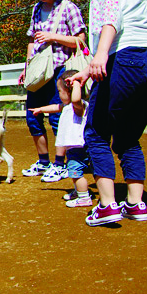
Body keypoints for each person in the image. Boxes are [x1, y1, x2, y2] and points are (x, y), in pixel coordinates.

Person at [71, 0, 147, 226]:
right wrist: (90, 67)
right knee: (128, 136)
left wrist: (99, 56)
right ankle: (136, 204)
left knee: (96, 132)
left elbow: (111, 19)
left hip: (124, 59)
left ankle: (107, 205)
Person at [18, 0, 87, 183]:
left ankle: (61, 164)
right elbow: (31, 40)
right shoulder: (36, 9)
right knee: (33, 116)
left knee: (59, 117)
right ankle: (43, 161)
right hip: (39, 71)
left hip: (61, 69)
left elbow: (81, 41)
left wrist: (53, 37)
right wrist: (27, 66)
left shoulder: (69, 8)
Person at [29, 70, 93, 207]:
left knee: (76, 173)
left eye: (59, 91)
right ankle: (79, 191)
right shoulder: (67, 106)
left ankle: (84, 197)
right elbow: (55, 107)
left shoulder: (78, 106)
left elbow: (75, 99)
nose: (58, 94)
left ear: (70, 91)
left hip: (79, 148)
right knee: (73, 171)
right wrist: (40, 109)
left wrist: (75, 83)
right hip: (72, 148)